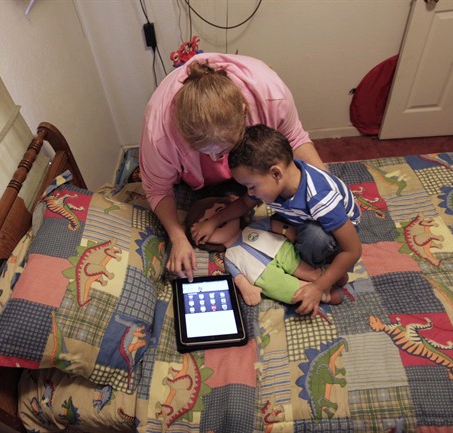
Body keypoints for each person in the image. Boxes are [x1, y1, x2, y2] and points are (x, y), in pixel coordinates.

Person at [139, 53, 326, 282]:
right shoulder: (158, 134)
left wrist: (326, 188)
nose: (215, 158)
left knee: (319, 236)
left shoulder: (271, 95)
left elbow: (295, 139)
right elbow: (157, 189)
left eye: (223, 151)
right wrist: (178, 237)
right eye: (205, 152)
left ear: (245, 114)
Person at [191, 124, 361, 317]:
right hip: (300, 217)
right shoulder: (275, 185)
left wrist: (319, 287)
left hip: (333, 233)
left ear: (276, 173)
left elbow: (353, 250)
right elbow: (244, 203)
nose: (250, 193)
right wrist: (213, 221)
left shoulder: (319, 198)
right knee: (272, 231)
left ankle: (326, 269)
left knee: (314, 238)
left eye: (252, 186)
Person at [185, 196, 344, 307]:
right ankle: (324, 295)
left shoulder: (253, 227)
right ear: (203, 240)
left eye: (220, 211)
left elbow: (272, 225)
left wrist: (287, 230)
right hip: (262, 274)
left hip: (279, 249)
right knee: (283, 287)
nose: (216, 222)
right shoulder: (230, 258)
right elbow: (239, 277)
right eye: (205, 223)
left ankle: (326, 275)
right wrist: (247, 289)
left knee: (302, 267)